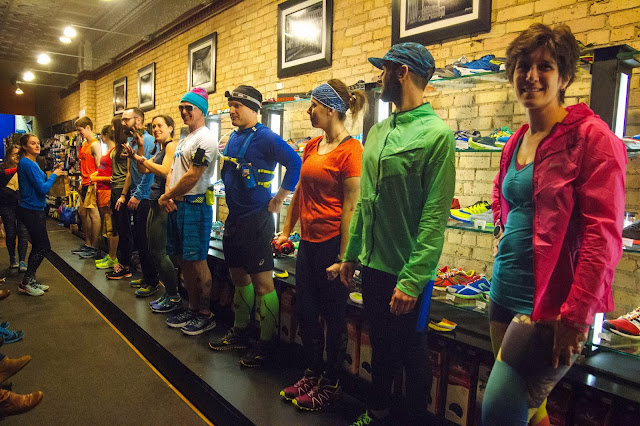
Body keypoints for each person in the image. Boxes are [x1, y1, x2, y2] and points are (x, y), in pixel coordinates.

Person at [482, 23, 626, 426]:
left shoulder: (592, 137)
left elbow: (603, 235)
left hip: (549, 305)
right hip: (504, 288)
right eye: (522, 66)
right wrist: (500, 232)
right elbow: (502, 193)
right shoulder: (517, 139)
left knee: (498, 412)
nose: (531, 75)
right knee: (531, 408)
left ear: (564, 77)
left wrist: (577, 315)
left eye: (544, 66)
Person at [340, 43, 455, 425]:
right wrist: (351, 255)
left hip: (408, 271)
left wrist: (412, 279)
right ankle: (377, 412)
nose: (379, 78)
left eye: (384, 70)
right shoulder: (377, 132)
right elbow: (365, 202)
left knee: (412, 351)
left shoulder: (437, 134)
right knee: (381, 346)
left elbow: (434, 217)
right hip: (373, 265)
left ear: (402, 72)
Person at [277, 79, 365, 410]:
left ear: (329, 108)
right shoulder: (313, 145)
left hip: (332, 246)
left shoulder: (352, 151)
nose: (308, 111)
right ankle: (312, 373)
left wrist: (344, 258)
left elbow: (352, 208)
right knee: (307, 311)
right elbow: (300, 190)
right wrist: (286, 230)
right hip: (308, 243)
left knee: (333, 316)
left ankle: (332, 382)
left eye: (313, 105)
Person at [208, 85, 301, 368]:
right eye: (230, 105)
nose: (231, 111)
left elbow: (295, 163)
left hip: (257, 221)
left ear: (253, 108)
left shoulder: (267, 137)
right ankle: (240, 332)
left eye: (237, 105)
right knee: (239, 278)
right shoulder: (232, 137)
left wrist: (279, 199)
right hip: (234, 220)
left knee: (263, 284)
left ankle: (266, 345)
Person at [159, 88, 217, 335]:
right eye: (181, 108)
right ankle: (192, 307)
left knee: (197, 261)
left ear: (201, 110)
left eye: (189, 108)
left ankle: (205, 314)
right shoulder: (185, 139)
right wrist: (168, 195)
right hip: (178, 204)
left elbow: (193, 175)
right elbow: (173, 172)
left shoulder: (206, 139)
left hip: (195, 205)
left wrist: (168, 196)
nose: (184, 112)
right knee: (183, 260)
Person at [123, 115, 180, 304]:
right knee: (151, 248)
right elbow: (143, 170)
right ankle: (166, 291)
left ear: (170, 128)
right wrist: (139, 149)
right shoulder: (161, 149)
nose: (156, 129)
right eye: (153, 126)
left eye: (160, 125)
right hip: (153, 201)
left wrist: (139, 158)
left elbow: (164, 170)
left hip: (162, 203)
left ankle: (173, 295)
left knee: (159, 252)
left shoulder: (171, 146)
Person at [108, 108, 158, 287]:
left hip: (146, 197)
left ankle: (152, 281)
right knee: (139, 239)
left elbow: (149, 171)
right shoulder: (131, 141)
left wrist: (138, 194)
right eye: (122, 120)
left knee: (145, 241)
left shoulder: (149, 140)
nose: (122, 123)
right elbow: (130, 173)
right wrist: (124, 195)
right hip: (136, 195)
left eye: (126, 120)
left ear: (138, 121)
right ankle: (146, 277)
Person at [17, 134, 65, 295]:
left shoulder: (33, 162)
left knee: (39, 245)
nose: (37, 145)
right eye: (33, 143)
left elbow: (41, 180)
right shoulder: (27, 163)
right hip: (31, 209)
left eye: (38, 143)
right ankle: (26, 282)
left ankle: (30, 280)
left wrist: (54, 170)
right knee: (43, 246)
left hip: (35, 208)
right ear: (25, 146)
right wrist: (54, 175)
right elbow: (43, 188)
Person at [103, 117, 131, 274]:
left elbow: (129, 173)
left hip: (122, 189)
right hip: (115, 188)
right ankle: (121, 261)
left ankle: (125, 264)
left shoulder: (126, 146)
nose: (111, 129)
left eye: (113, 127)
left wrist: (123, 195)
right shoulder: (117, 147)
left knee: (124, 228)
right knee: (118, 227)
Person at [71, 116, 102, 259]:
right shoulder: (84, 144)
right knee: (82, 213)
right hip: (84, 183)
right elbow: (84, 165)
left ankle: (95, 247)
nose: (79, 133)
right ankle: (88, 243)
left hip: (91, 184)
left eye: (80, 130)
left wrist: (95, 183)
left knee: (93, 215)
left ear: (88, 127)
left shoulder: (95, 145)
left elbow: (99, 167)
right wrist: (80, 184)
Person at [91, 125, 118, 270]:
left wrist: (98, 178)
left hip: (108, 191)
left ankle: (113, 257)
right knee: (107, 226)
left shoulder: (114, 152)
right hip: (102, 191)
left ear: (105, 135)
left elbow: (115, 176)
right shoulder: (108, 151)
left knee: (111, 226)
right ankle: (110, 254)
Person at [0, 145, 28, 272]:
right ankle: (12, 258)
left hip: (22, 204)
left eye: (19, 155)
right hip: (7, 205)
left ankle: (22, 260)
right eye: (14, 154)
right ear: (8, 156)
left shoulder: (24, 167)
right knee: (10, 232)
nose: (17, 157)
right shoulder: (3, 169)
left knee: (23, 232)